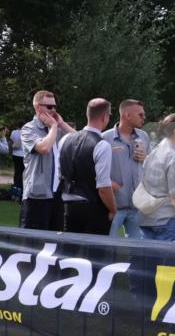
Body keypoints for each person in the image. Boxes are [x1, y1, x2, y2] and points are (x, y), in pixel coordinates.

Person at [58, 98, 116, 235]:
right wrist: (113, 209)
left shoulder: (64, 140)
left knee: (69, 254)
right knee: (94, 255)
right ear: (105, 117)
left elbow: (59, 173)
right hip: (93, 208)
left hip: (67, 206)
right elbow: (103, 187)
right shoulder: (102, 145)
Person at [19, 90, 74, 231]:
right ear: (38, 107)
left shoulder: (56, 128)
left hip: (57, 193)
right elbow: (44, 148)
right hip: (37, 194)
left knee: (55, 241)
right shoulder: (29, 128)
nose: (53, 110)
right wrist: (54, 127)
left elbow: (80, 141)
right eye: (49, 107)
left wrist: (61, 124)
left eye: (55, 106)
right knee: (33, 242)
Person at [138, 113, 175, 242]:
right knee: (166, 263)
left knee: (148, 261)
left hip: (147, 219)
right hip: (168, 222)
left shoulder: (154, 153)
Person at [103, 99, 149, 238]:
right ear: (127, 115)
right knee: (107, 249)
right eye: (140, 114)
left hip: (137, 208)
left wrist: (146, 157)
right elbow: (94, 170)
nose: (144, 117)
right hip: (113, 207)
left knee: (138, 250)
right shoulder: (105, 138)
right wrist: (109, 184)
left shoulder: (144, 136)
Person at [9, 123, 24, 193]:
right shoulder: (25, 132)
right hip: (23, 154)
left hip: (15, 154)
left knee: (17, 171)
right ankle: (22, 186)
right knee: (23, 171)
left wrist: (10, 150)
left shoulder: (13, 132)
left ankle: (16, 185)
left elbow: (11, 142)